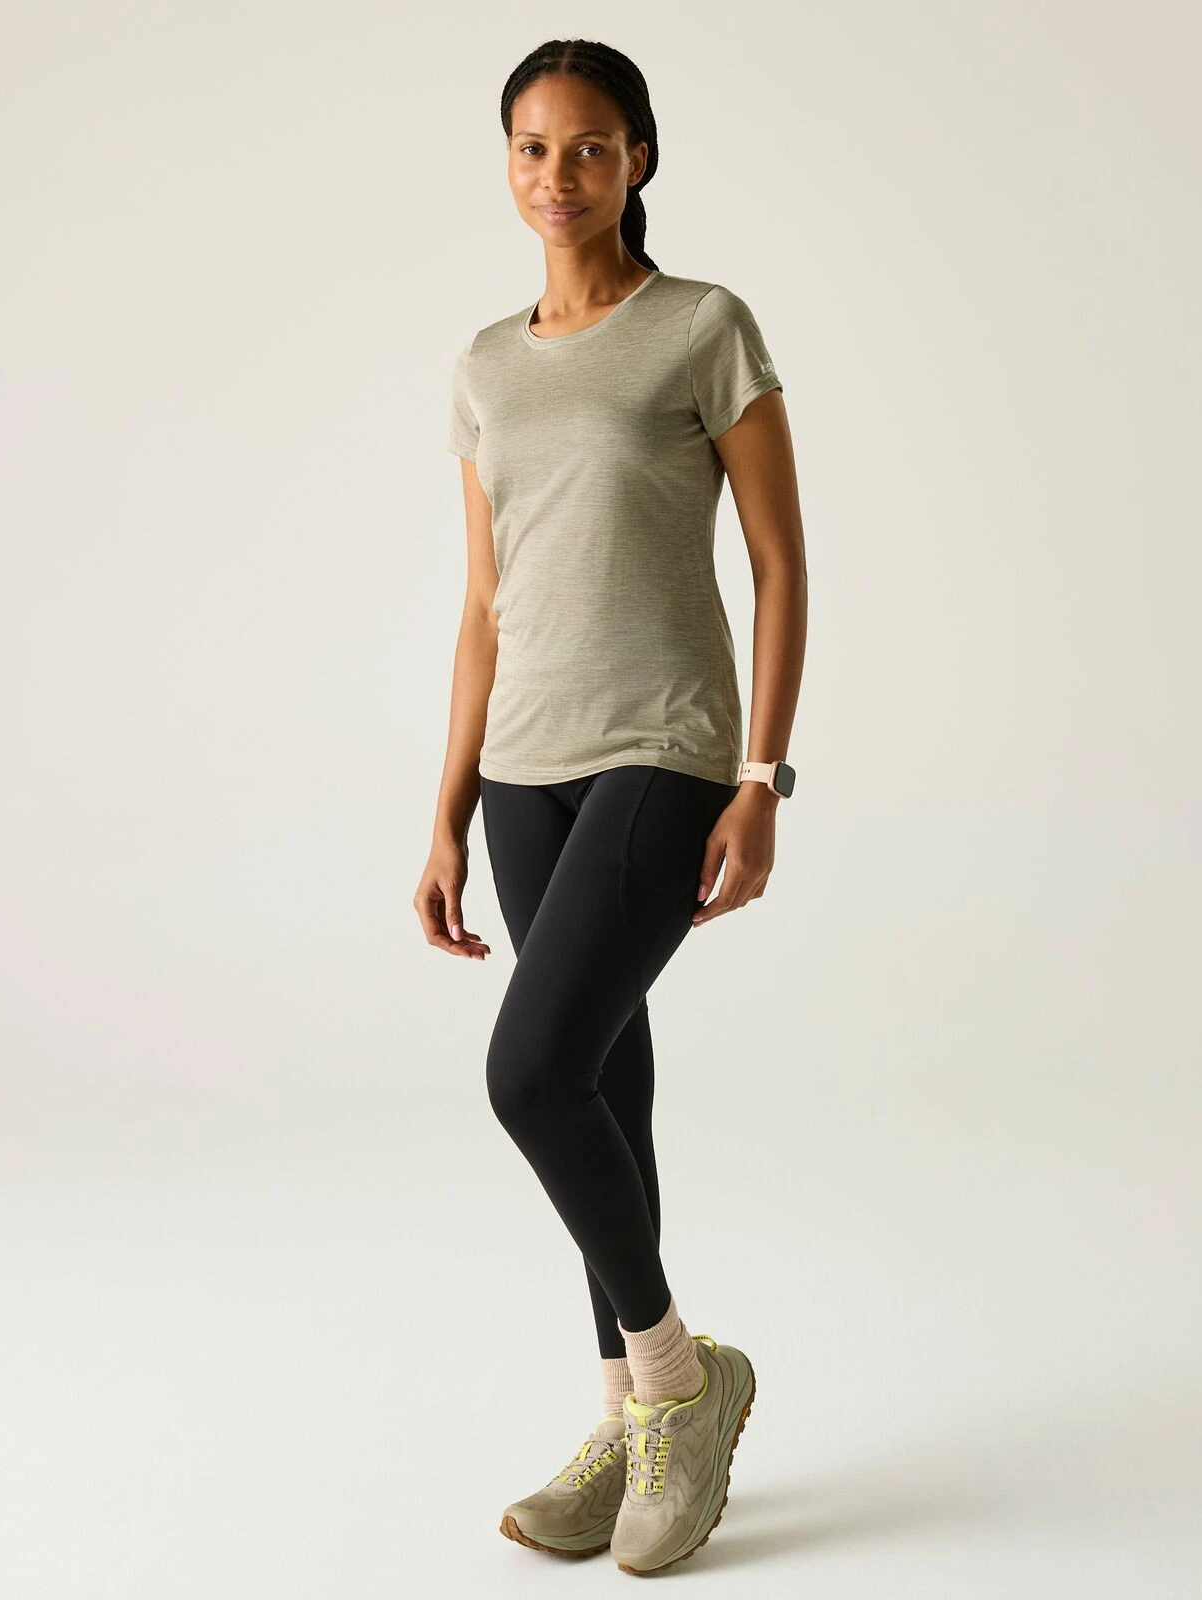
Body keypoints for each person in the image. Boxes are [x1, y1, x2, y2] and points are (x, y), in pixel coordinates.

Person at [412, 37, 808, 1576]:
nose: (558, 175)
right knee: (598, 1087)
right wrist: (446, 812)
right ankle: (628, 1416)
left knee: (528, 1074)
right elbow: (482, 606)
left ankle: (680, 1383)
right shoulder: (484, 366)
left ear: (640, 156)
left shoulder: (701, 328)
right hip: (525, 770)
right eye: (531, 147)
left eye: (588, 146)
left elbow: (778, 561)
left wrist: (762, 777)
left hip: (665, 747)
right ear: (505, 163)